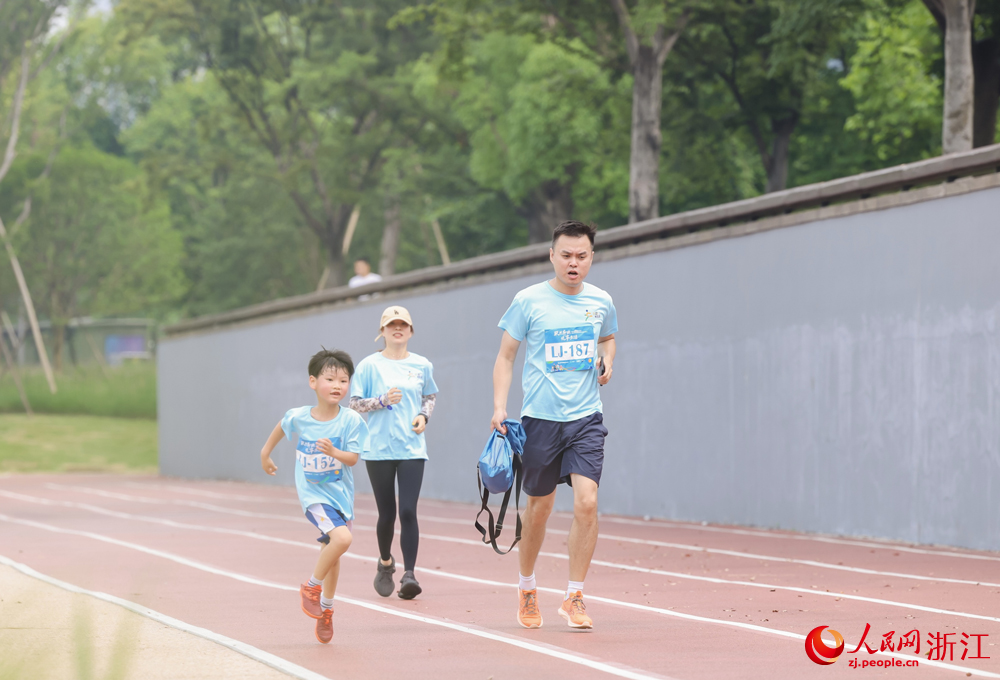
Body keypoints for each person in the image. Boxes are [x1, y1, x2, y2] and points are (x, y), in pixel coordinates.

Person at [491, 220, 618, 630]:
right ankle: (527, 587)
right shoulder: (528, 301)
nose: (573, 263)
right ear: (552, 255)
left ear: (591, 258)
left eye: (581, 256)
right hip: (540, 420)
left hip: (585, 418)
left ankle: (574, 595)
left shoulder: (601, 301)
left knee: (587, 502)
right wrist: (499, 407)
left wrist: (608, 360)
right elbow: (506, 356)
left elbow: (608, 337)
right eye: (566, 255)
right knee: (539, 509)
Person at [260, 348, 368, 644]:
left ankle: (327, 611)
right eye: (330, 379)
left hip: (340, 498)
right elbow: (282, 428)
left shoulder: (351, 421)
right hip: (313, 496)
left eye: (344, 381)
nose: (337, 386)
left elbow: (354, 458)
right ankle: (311, 587)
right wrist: (265, 453)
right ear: (313, 382)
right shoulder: (299, 417)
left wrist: (334, 452)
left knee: (332, 554)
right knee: (343, 540)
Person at [350, 306, 438, 600]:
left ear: (411, 331)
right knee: (387, 514)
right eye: (391, 325)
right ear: (382, 331)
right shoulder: (368, 366)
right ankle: (386, 562)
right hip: (378, 449)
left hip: (412, 448)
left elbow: (429, 396)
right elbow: (355, 404)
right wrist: (382, 400)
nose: (397, 329)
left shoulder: (423, 364)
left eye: (403, 325)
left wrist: (424, 417)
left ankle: (409, 574)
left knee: (408, 511)